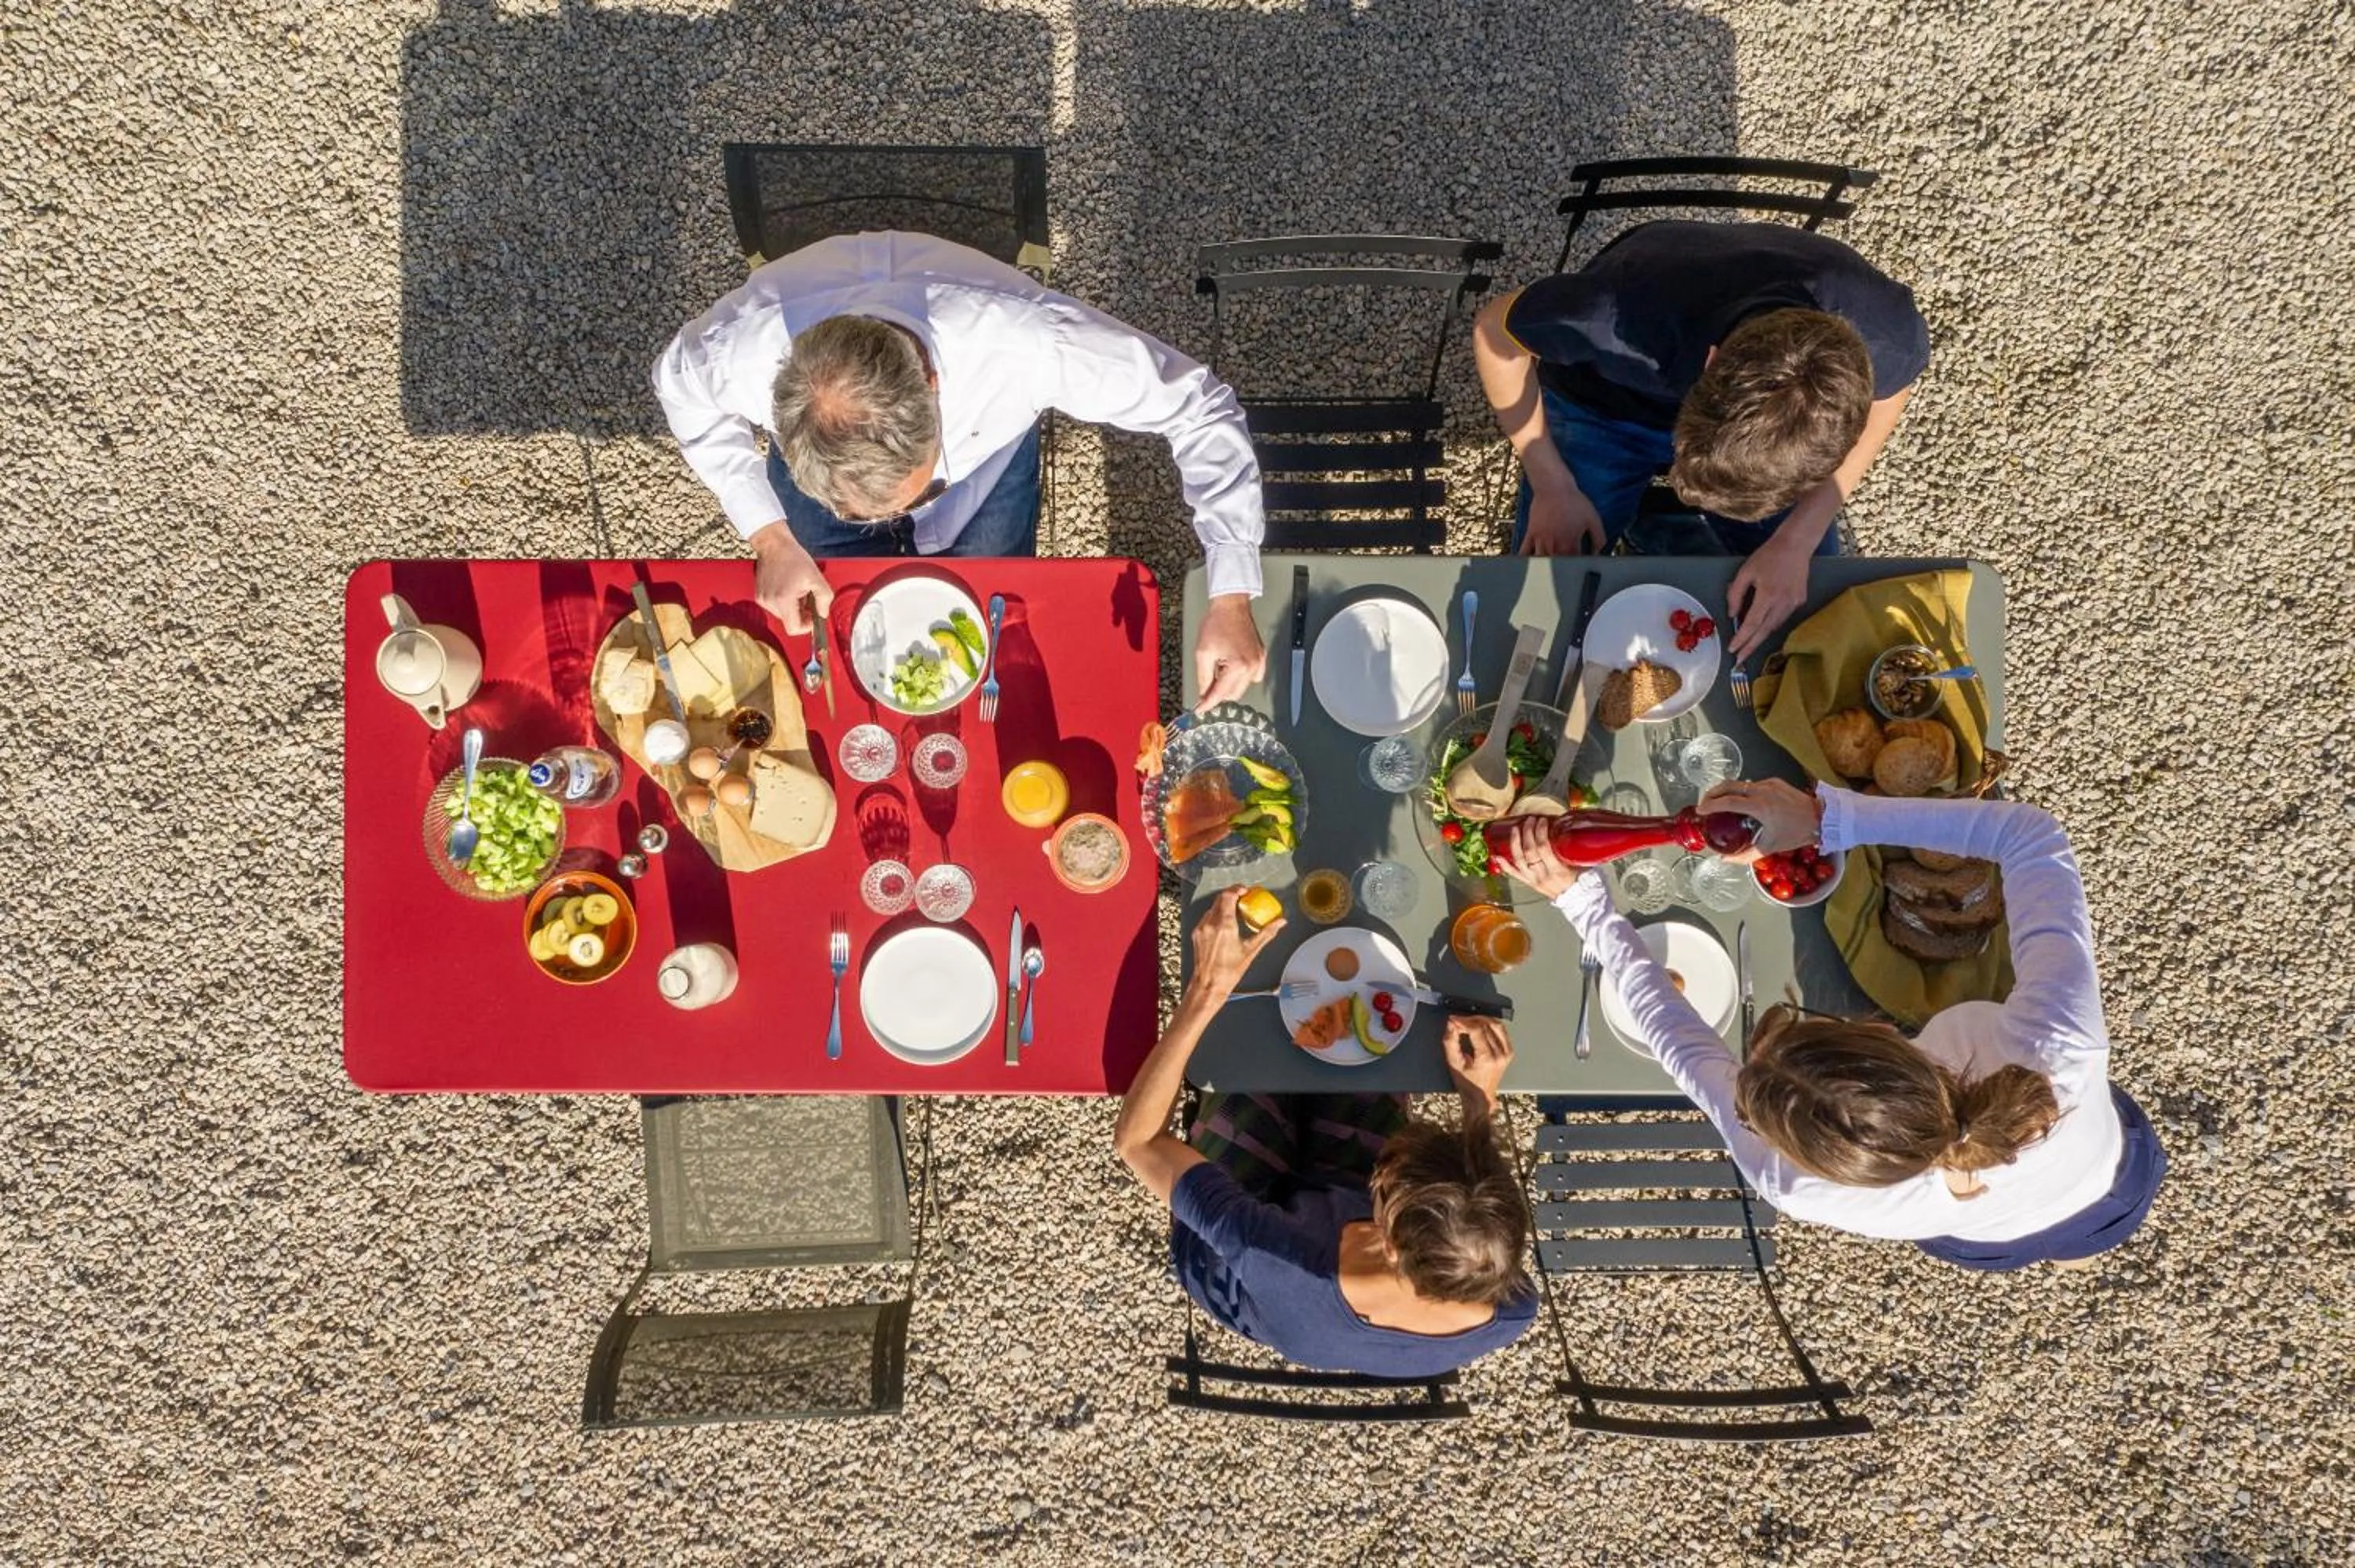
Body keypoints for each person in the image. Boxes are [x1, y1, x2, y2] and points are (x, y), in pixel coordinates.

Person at [1497, 782, 2166, 1272]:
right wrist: (1825, 819)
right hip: (2108, 1182)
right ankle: (2072, 1250)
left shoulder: (1790, 1185)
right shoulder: (2056, 1050)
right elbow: (2033, 837)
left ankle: (2063, 1248)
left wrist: (1583, 902)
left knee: (2035, 1242)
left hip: (1980, 1236)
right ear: (1883, 1036)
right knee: (2083, 1238)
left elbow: (1680, 1043)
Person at [653, 230, 1269, 707]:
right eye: (858, 510)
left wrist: (1231, 595)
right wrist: (771, 536)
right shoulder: (735, 351)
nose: (886, 521)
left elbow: (1200, 408)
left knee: (990, 629)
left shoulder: (1028, 344)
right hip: (827, 482)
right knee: (845, 645)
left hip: (983, 477)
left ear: (932, 385)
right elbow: (678, 390)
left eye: (901, 494)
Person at [1113, 889, 1538, 1377]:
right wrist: (1476, 1102)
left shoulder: (1276, 1259)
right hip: (1340, 1210)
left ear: (1391, 1243)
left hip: (1237, 1252)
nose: (1386, 1165)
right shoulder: (1506, 1299)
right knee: (1367, 1058)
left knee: (1241, 1055)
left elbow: (1139, 1142)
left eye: (1388, 1180)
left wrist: (1206, 989)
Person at [1471, 221, 1931, 662]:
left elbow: (1890, 395)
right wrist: (1551, 483)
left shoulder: (1883, 332)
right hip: (1606, 406)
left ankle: (1658, 531)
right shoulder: (1616, 312)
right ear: (1710, 362)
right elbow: (1493, 331)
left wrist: (1798, 537)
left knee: (1811, 606)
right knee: (1543, 589)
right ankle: (1656, 528)